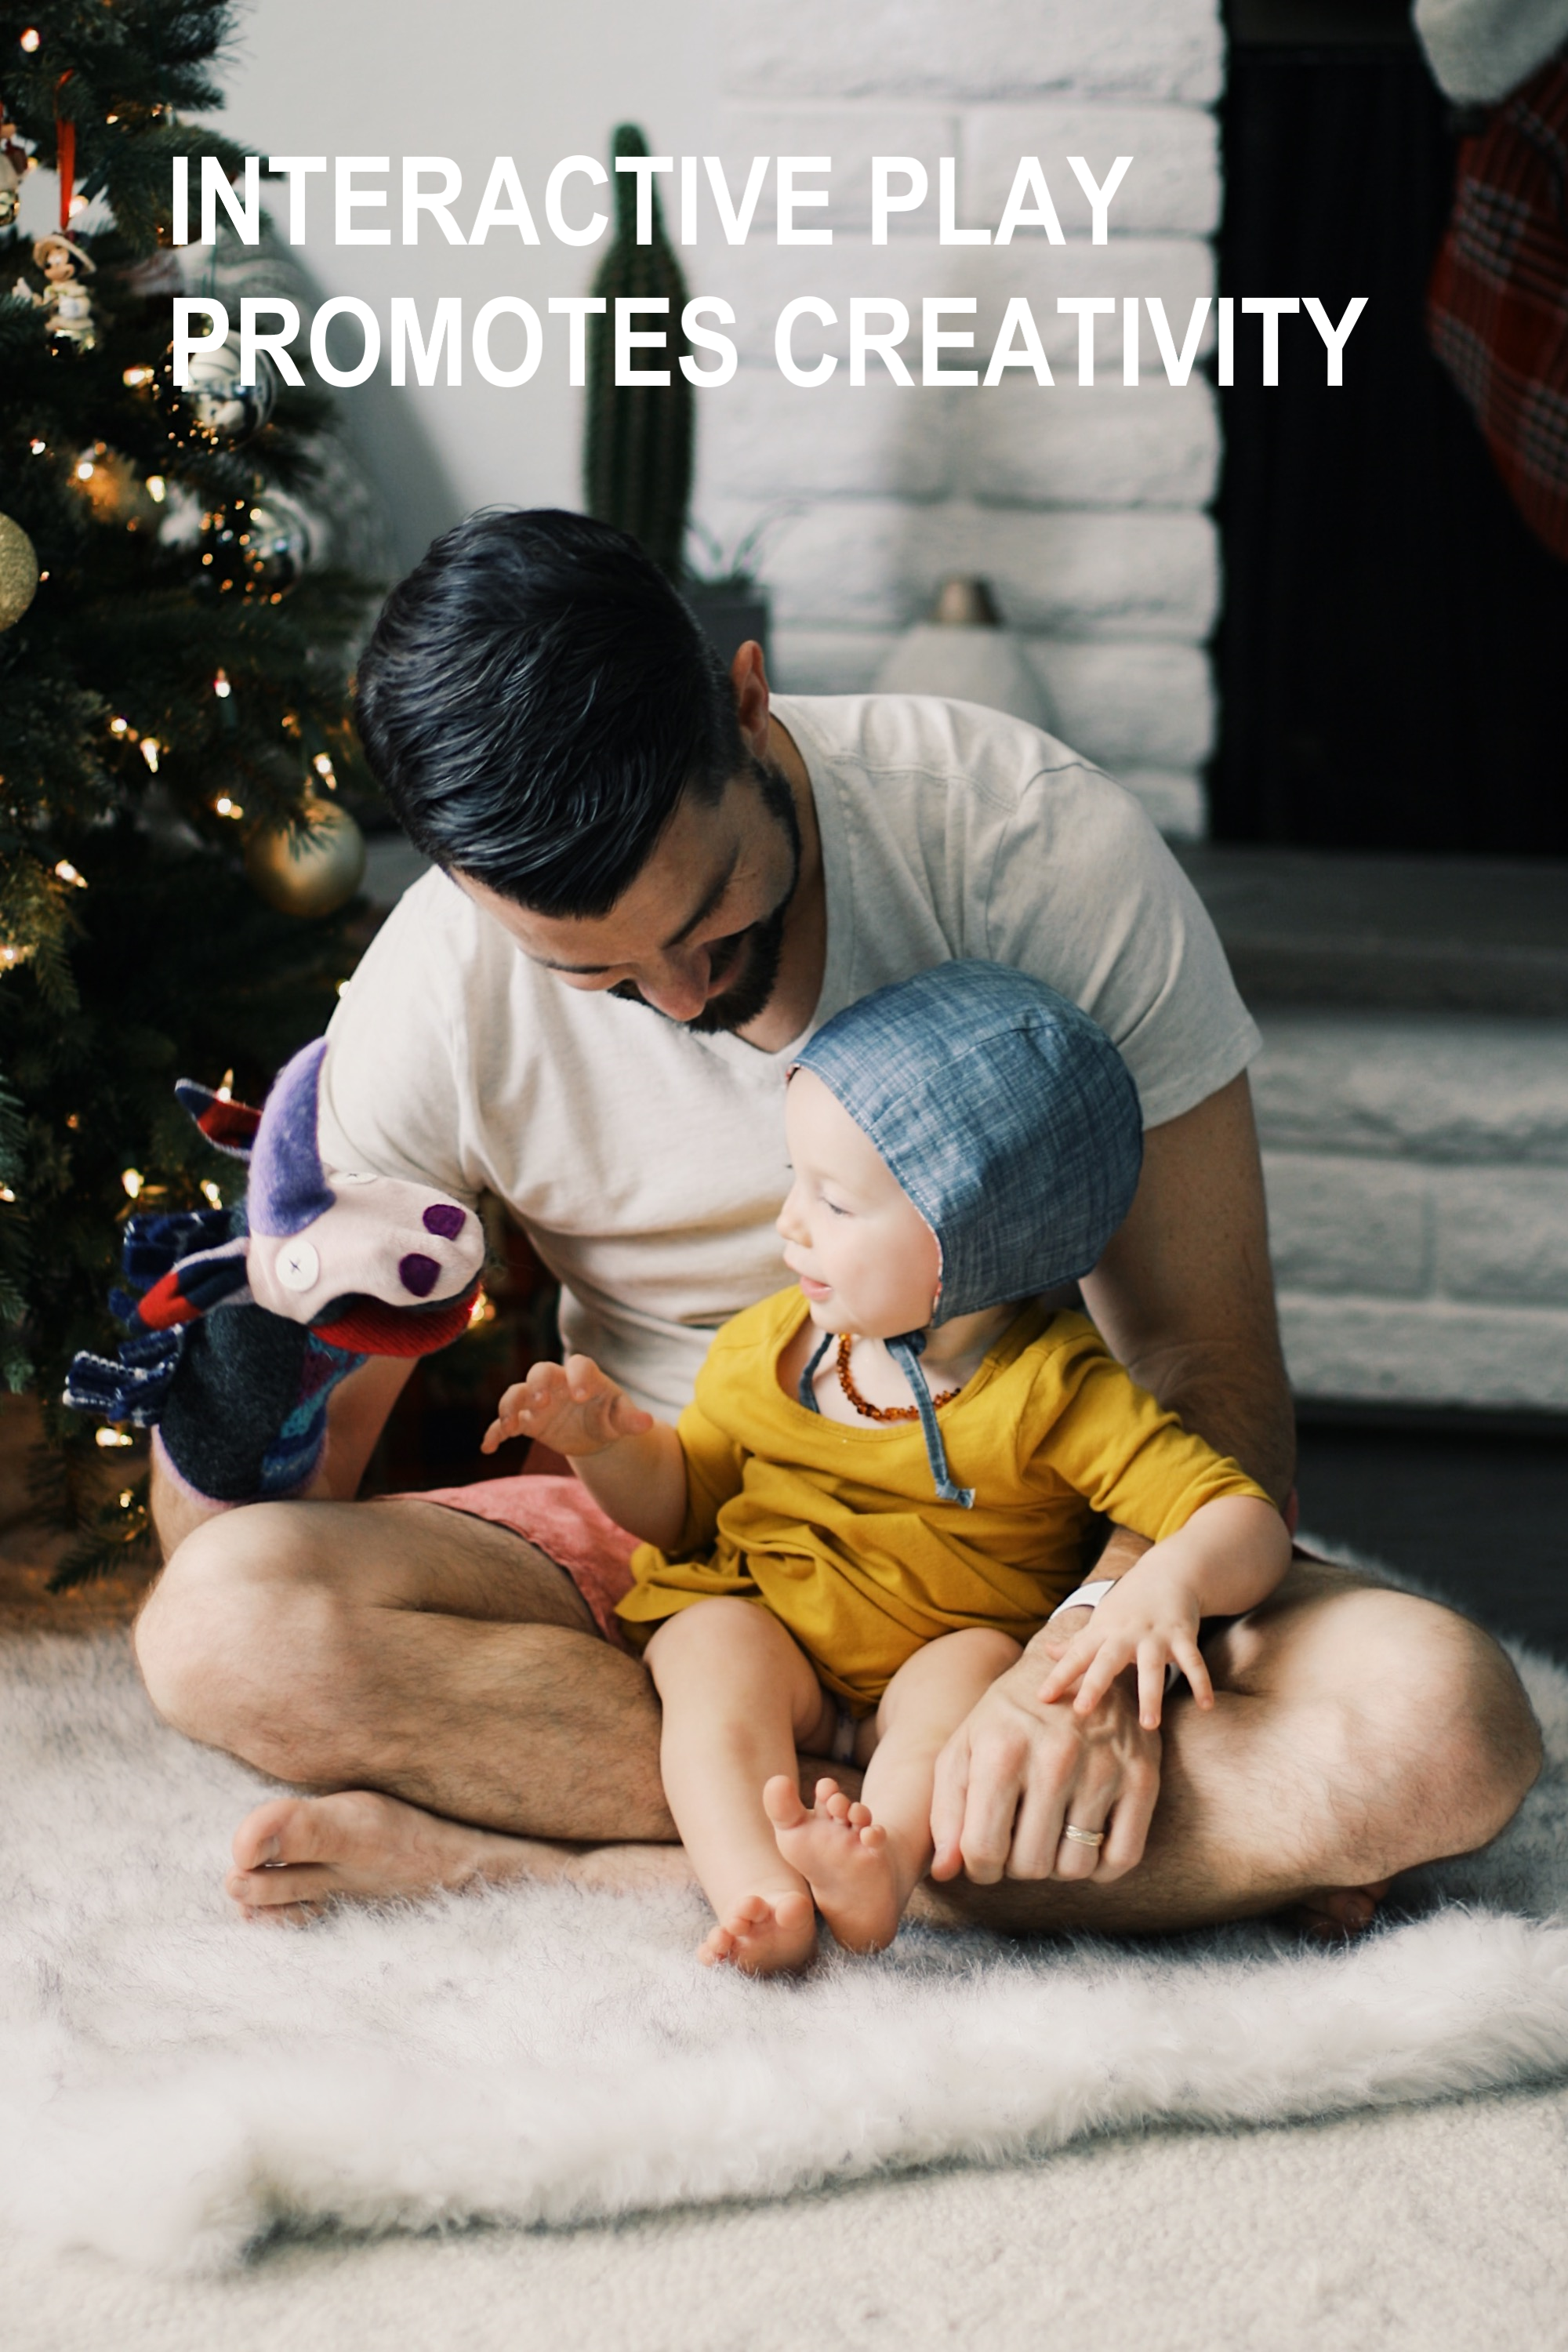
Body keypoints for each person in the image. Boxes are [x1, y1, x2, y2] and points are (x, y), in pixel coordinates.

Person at [132, 509, 1540, 1934]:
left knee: (1448, 1728)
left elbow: (1210, 1373)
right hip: (693, 1545)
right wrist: (249, 1365)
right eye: (600, 974)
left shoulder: (1025, 846)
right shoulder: (432, 990)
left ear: (747, 705)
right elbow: (274, 1506)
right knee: (219, 1623)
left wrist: (1084, 1673)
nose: (683, 1002)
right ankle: (972, 1847)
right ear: (472, 893)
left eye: (710, 918)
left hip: (1029, 1548)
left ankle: (593, 1855)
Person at [486, 964, 1293, 1974]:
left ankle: (883, 1872)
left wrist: (1163, 1584)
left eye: (833, 1202)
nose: (789, 1225)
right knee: (707, 1655)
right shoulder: (770, 1347)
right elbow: (686, 1509)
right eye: (795, 1182)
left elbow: (1240, 1515)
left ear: (971, 1238)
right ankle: (759, 1891)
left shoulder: (1053, 1389)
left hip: (937, 1651)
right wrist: (606, 1446)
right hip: (773, 1624)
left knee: (965, 1681)